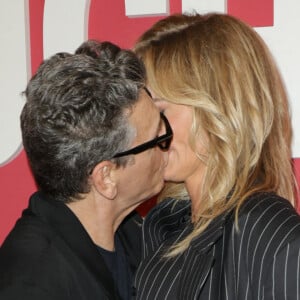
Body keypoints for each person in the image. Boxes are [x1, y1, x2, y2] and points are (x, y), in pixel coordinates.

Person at [132, 13, 300, 299]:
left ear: (217, 111)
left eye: (160, 112)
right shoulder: (163, 228)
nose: (146, 132)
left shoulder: (266, 230)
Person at [0, 40, 172, 299]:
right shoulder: (33, 284)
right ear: (106, 177)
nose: (168, 142)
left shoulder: (135, 235)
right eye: (156, 138)